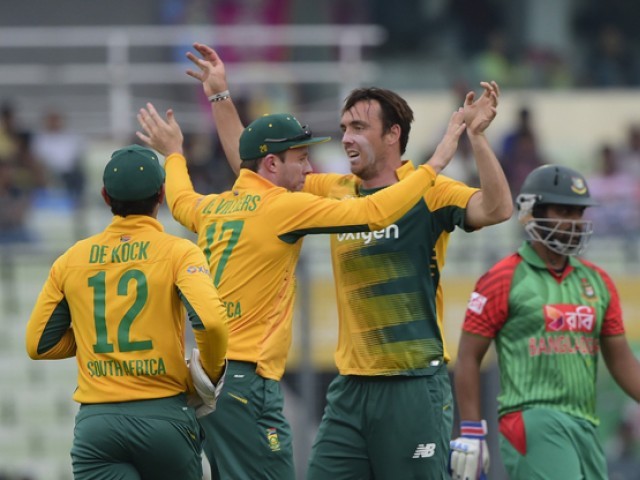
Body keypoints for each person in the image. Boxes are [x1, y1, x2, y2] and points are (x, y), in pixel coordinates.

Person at [183, 42, 513, 479]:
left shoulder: (429, 189)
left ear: (392, 134)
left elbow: (497, 208)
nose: (347, 137)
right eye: (343, 127)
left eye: (359, 127)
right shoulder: (335, 189)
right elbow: (257, 169)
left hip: (412, 381)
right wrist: (220, 95)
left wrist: (477, 138)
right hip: (350, 387)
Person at [135, 95, 466, 479]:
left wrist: (174, 153)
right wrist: (436, 164)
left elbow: (179, 200)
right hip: (247, 380)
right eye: (300, 158)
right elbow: (372, 212)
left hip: (207, 379)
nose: (309, 168)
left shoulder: (212, 208)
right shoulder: (284, 207)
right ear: (272, 164)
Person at [25, 144, 229, 479]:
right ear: (161, 194)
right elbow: (211, 323)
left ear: (105, 197)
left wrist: (93, 336)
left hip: (98, 427)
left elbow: (39, 344)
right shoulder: (180, 253)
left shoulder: (71, 259)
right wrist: (210, 375)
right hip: (164, 418)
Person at [451, 164, 640, 479]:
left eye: (579, 213)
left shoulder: (598, 281)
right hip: (531, 419)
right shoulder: (502, 277)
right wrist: (472, 430)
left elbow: (622, 361)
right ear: (533, 212)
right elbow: (469, 357)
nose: (575, 223)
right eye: (564, 211)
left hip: (584, 424)